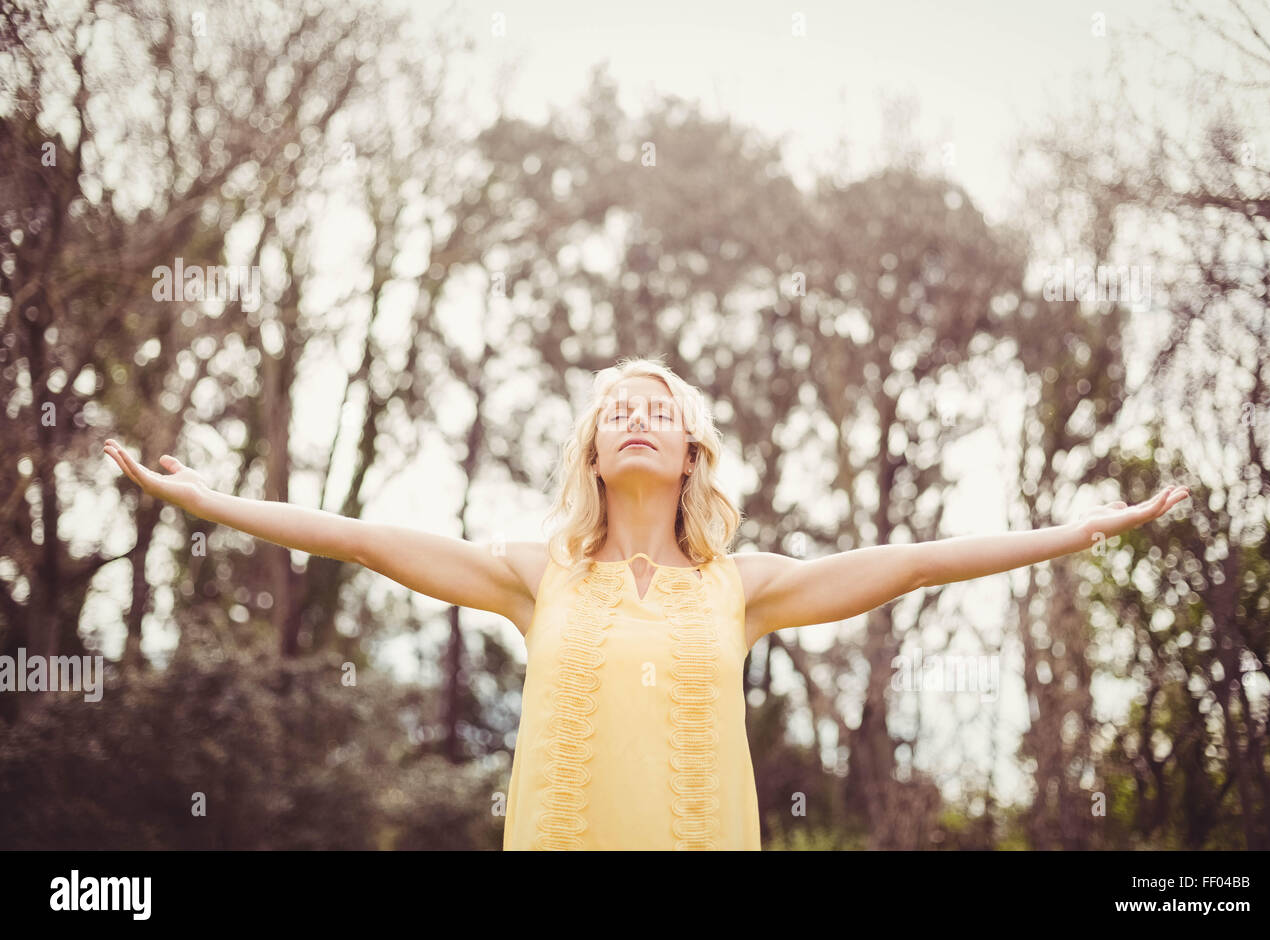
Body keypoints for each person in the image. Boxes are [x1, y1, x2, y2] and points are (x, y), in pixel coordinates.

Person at [103, 355, 1190, 850]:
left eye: (655, 410)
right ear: (591, 447)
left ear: (686, 455)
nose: (633, 415)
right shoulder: (536, 573)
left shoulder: (742, 585)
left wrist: (1084, 528)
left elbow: (917, 560)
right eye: (613, 407)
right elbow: (361, 539)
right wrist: (210, 500)